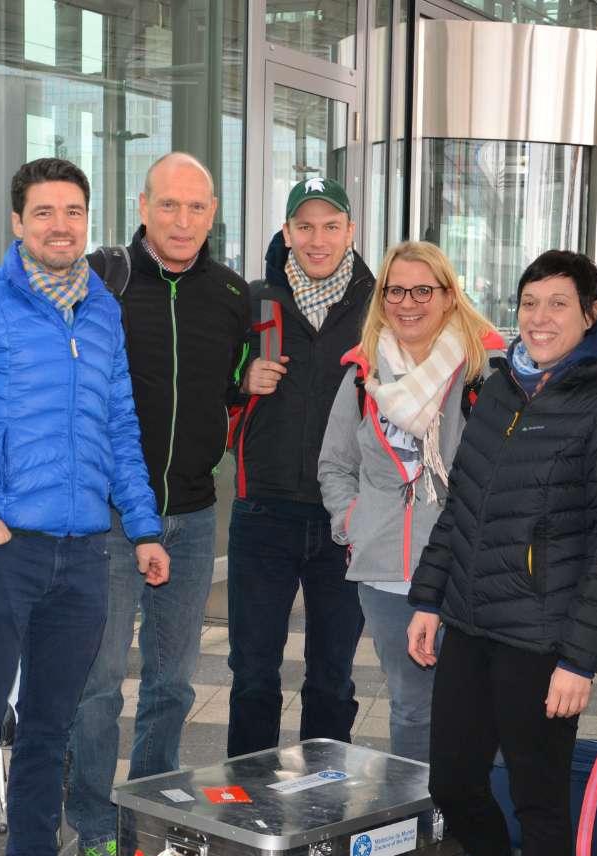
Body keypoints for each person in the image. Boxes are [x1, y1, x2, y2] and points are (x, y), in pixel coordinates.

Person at [0, 157, 171, 856]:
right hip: (4, 550)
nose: (60, 226)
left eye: (72, 213)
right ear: (17, 222)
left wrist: (145, 528)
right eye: (44, 212)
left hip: (85, 554)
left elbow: (119, 426)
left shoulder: (103, 309)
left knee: (49, 730)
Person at [406, 249, 597, 856]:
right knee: (454, 782)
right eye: (529, 303)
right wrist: (429, 598)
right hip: (470, 622)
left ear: (591, 314)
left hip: (542, 642)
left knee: (538, 800)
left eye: (558, 304)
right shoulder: (497, 390)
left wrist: (578, 661)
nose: (539, 318)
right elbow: (462, 505)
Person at [65, 152, 251, 856]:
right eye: (168, 205)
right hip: (109, 517)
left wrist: (246, 382)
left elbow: (224, 392)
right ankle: (90, 823)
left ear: (212, 215)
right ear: (143, 206)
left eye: (196, 207)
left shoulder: (233, 298)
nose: (182, 220)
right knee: (100, 685)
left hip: (195, 516)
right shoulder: (100, 286)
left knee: (173, 683)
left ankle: (146, 813)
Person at [317, 241, 503, 763]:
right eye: (395, 289)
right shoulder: (363, 376)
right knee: (410, 709)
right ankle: (422, 827)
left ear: (448, 296)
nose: (408, 302)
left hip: (465, 572)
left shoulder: (482, 372)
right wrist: (352, 521)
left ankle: (480, 824)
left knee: (479, 706)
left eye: (423, 289)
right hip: (384, 576)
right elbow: (334, 463)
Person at [227, 176, 376, 756]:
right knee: (254, 675)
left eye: (331, 226)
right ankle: (247, 811)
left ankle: (324, 811)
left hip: (347, 518)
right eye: (306, 227)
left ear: (350, 232)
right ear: (287, 232)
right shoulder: (254, 302)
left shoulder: (378, 306)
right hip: (263, 512)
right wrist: (240, 384)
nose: (318, 240)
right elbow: (208, 387)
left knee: (331, 677)